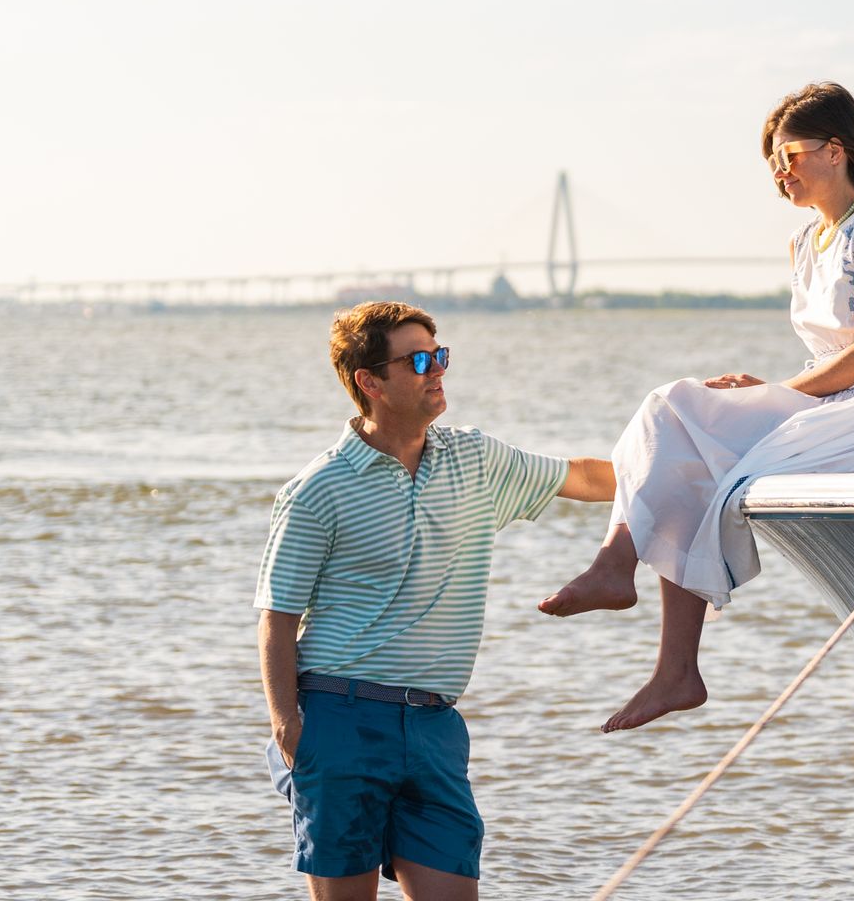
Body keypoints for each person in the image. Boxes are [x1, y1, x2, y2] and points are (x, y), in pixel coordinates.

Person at [538, 81, 854, 733]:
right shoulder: (805, 242)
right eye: (772, 163)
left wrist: (774, 395)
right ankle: (677, 669)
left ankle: (618, 574)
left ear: (837, 149)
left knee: (675, 408)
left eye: (790, 155)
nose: (780, 172)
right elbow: (830, 356)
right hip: (829, 400)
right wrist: (773, 388)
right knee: (681, 429)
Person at [256, 301, 615, 900]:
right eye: (418, 360)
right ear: (369, 382)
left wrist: (684, 461)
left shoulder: (474, 458)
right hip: (340, 717)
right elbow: (277, 618)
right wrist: (289, 726)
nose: (437, 370)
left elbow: (582, 478)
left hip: (435, 727)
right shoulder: (317, 489)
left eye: (440, 355)